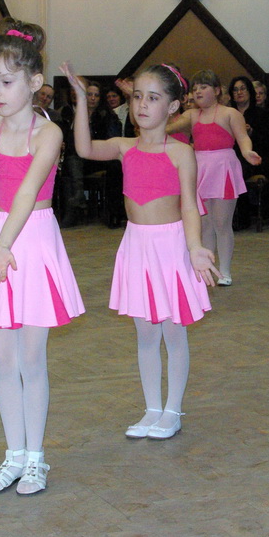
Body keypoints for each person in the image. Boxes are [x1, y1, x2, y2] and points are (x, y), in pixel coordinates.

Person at [0, 19, 85, 497]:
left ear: (34, 82)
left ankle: (37, 458)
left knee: (31, 358)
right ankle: (14, 454)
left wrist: (4, 246)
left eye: (6, 82)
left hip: (31, 238)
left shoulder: (49, 134)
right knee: (2, 359)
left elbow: (27, 193)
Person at [64, 61, 216, 440]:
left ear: (173, 106)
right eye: (136, 97)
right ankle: (151, 408)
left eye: (153, 98)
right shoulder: (123, 146)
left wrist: (195, 247)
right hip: (136, 246)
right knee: (146, 335)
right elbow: (83, 147)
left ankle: (173, 410)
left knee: (173, 334)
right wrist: (81, 100)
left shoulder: (181, 153)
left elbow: (188, 206)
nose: (142, 105)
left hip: (172, 247)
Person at [168, 71, 260, 286]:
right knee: (204, 224)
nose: (198, 91)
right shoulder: (191, 115)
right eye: (195, 88)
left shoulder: (230, 113)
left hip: (223, 168)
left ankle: (225, 271)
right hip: (199, 168)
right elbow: (168, 128)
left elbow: (243, 138)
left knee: (222, 223)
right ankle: (208, 269)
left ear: (217, 90)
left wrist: (247, 152)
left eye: (204, 87)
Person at [228, 75, 269, 180]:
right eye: (235, 90)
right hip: (231, 156)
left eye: (243, 88)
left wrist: (251, 132)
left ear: (250, 91)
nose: (239, 92)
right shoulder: (228, 114)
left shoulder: (262, 114)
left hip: (256, 158)